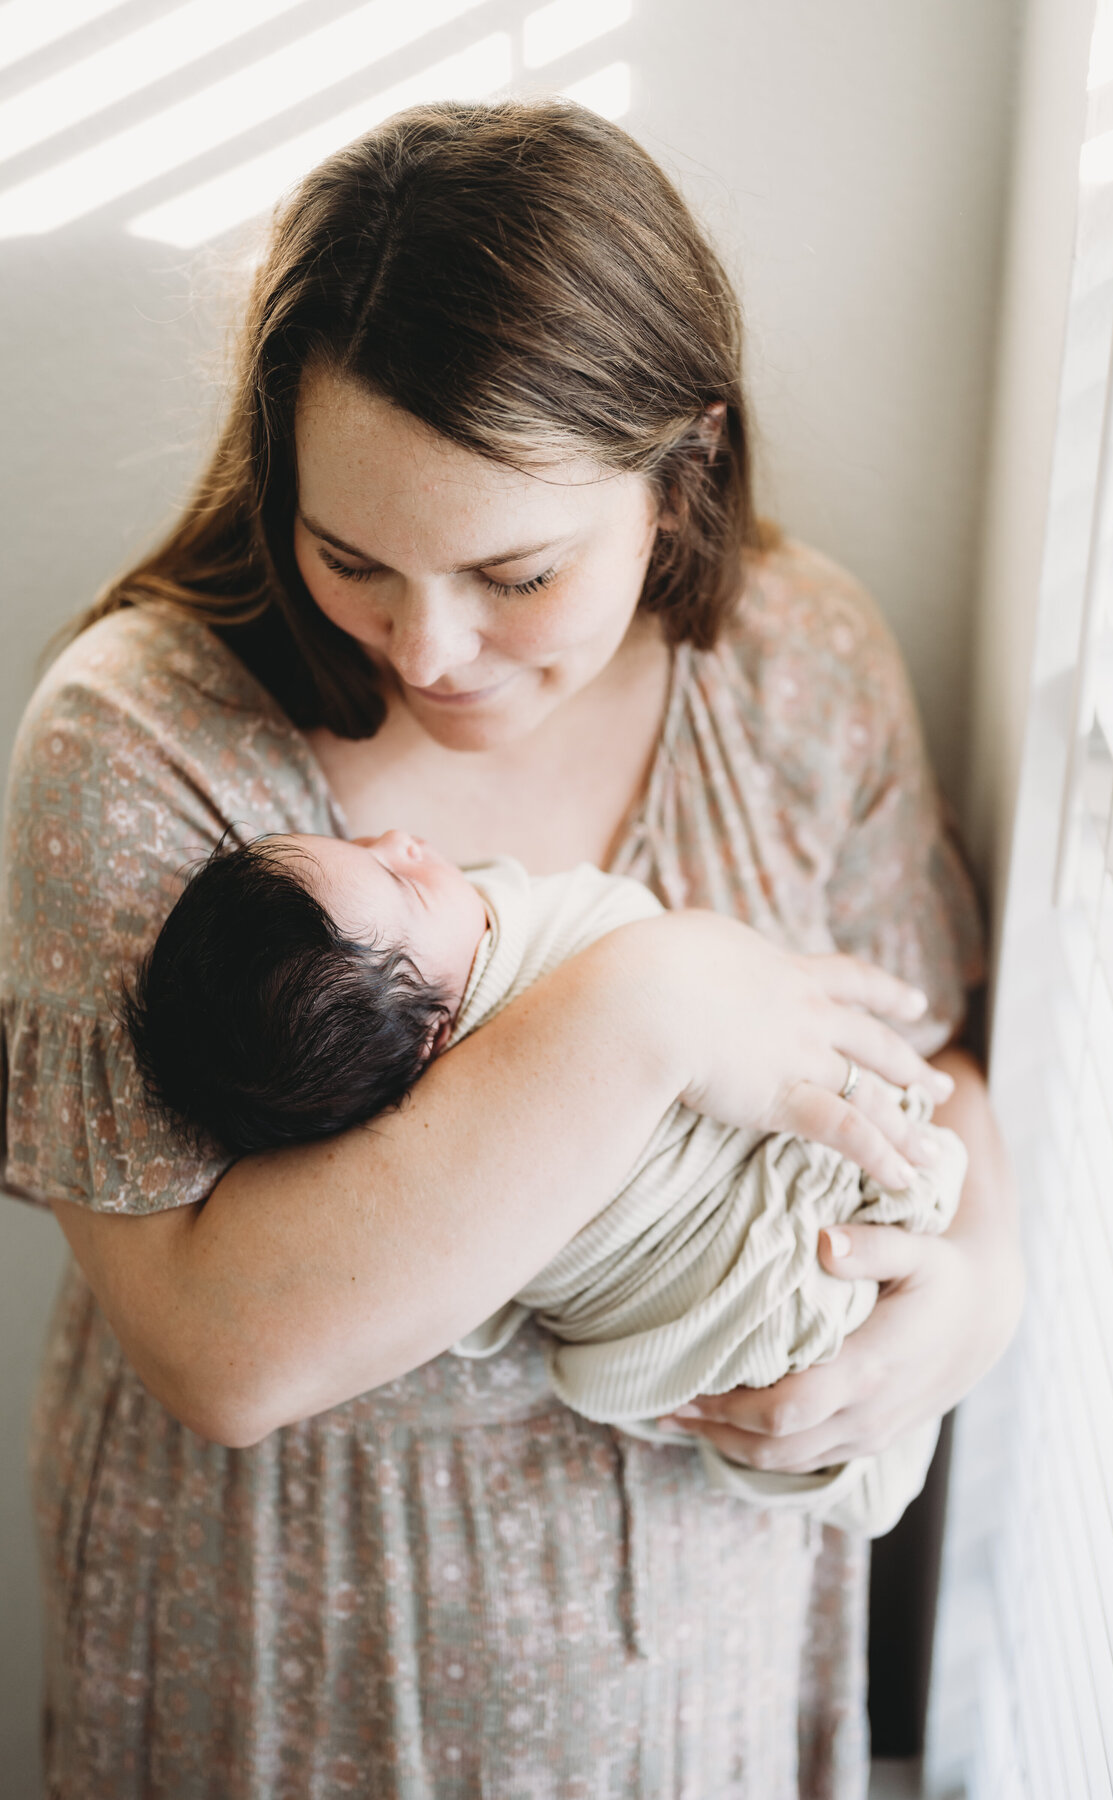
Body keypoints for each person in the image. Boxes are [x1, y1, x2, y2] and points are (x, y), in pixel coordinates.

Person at [0, 99, 1021, 1799]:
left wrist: (980, 1294)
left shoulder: (796, 668)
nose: (432, 645)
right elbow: (225, 1352)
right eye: (354, 558)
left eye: (516, 569)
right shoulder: (141, 750)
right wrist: (646, 1004)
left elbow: (932, 1078)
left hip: (689, 1661)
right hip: (282, 1654)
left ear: (678, 467)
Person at [121, 830, 969, 1535]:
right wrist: (646, 998)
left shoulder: (378, 987)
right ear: (434, 1040)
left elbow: (960, 1056)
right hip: (759, 1281)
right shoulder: (521, 970)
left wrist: (987, 1283)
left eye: (361, 845)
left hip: (811, 1314)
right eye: (396, 876)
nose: (402, 840)